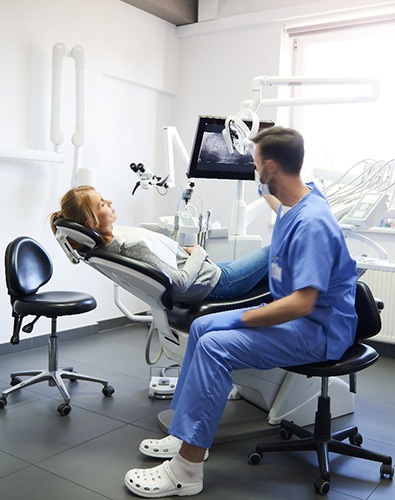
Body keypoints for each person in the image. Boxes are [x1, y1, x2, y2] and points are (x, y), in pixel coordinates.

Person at [123, 126, 358, 498]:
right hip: (297, 319)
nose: (252, 168)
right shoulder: (297, 200)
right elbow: (279, 204)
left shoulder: (312, 223)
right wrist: (262, 181)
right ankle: (183, 434)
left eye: (255, 164)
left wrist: (246, 316)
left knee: (218, 345)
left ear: (270, 167)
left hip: (318, 330)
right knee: (202, 327)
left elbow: (303, 303)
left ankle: (187, 470)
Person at [50, 186, 270, 305]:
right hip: (216, 283)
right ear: (92, 223)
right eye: (102, 204)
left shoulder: (110, 243)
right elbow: (181, 283)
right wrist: (198, 252)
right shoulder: (130, 247)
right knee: (276, 251)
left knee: (276, 274)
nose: (110, 202)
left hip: (209, 275)